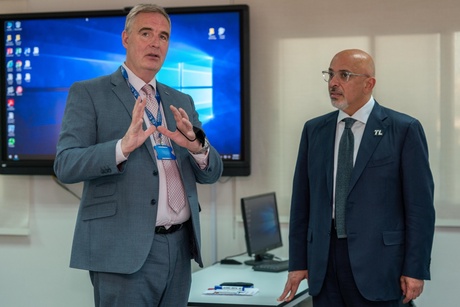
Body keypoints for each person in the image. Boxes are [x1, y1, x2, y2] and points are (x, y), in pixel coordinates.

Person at [54, 4, 223, 307]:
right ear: (126, 38)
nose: (155, 43)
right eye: (146, 33)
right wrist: (122, 148)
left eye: (163, 36)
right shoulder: (89, 93)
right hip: (123, 251)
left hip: (180, 247)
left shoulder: (180, 100)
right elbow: (65, 164)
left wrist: (197, 147)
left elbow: (211, 173)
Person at [278, 49, 435, 307]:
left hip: (380, 265)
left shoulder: (403, 129)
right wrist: (298, 263)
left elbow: (420, 208)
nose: (333, 83)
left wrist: (415, 268)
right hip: (325, 264)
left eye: (344, 75)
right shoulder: (314, 130)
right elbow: (301, 203)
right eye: (330, 75)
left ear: (368, 83)